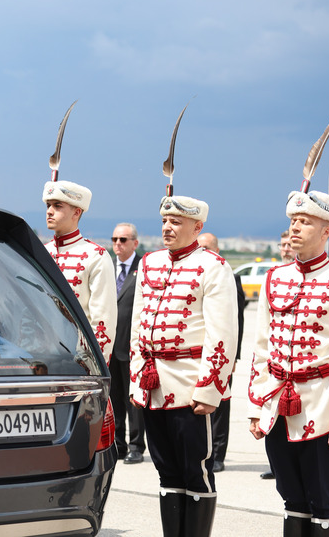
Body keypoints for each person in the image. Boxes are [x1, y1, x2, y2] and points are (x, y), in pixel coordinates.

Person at [248, 190, 329, 537]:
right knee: (291, 500)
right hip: (279, 406)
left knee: (322, 499)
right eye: (293, 222)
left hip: (321, 406)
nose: (296, 228)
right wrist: (257, 407)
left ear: (326, 231)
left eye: (305, 222)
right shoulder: (275, 278)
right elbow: (261, 349)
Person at [129, 196, 239, 537]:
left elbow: (222, 334)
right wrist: (137, 377)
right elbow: (137, 326)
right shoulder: (149, 263)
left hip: (190, 387)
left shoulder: (213, 266)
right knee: (166, 472)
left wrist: (210, 390)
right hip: (152, 386)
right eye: (165, 220)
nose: (167, 227)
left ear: (197, 227)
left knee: (197, 471)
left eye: (176, 222)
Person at [42, 180, 118, 364]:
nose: (49, 211)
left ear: (77, 212)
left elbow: (103, 321)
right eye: (48, 205)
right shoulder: (42, 252)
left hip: (77, 360)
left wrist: (93, 367)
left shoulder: (96, 256)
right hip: (40, 356)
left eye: (58, 206)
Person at [197, 232, 246, 473]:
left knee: (220, 405)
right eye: (199, 247)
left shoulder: (229, 276)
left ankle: (218, 454)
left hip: (221, 353)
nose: (202, 251)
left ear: (216, 250)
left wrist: (233, 356)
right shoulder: (195, 275)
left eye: (206, 247)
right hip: (197, 353)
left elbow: (237, 319)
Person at [110, 223, 145, 464]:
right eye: (114, 239)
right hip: (110, 347)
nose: (118, 244)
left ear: (134, 243)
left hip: (131, 347)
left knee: (133, 401)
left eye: (123, 239)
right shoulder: (106, 268)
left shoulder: (142, 268)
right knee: (113, 399)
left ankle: (135, 446)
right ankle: (118, 445)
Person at [262, 229, 295, 479]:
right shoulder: (273, 278)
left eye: (289, 244)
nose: (285, 249)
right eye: (282, 244)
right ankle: (278, 467)